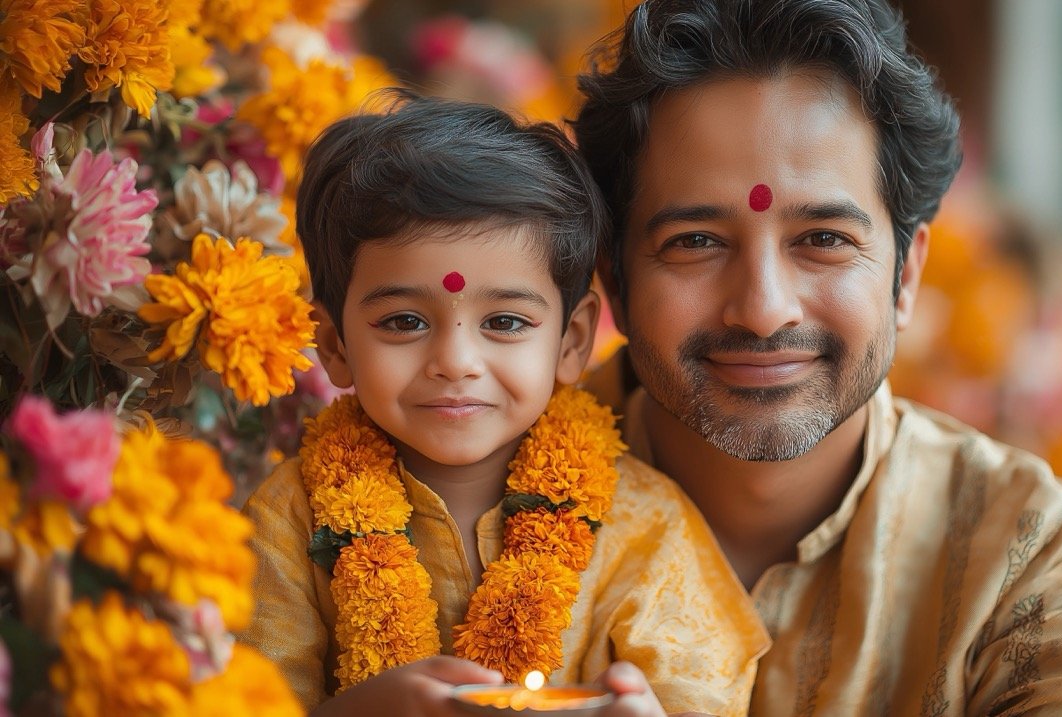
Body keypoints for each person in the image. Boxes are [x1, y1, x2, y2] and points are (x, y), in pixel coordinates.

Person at [572, 0, 1062, 714]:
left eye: (824, 239)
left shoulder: (1057, 583)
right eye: (695, 241)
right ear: (613, 279)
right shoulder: (454, 515)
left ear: (905, 276)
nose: (764, 307)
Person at [239, 92, 767, 717]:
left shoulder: (646, 525)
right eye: (404, 321)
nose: (456, 360)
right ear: (335, 346)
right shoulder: (290, 520)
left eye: (507, 322)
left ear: (571, 342)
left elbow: (702, 692)